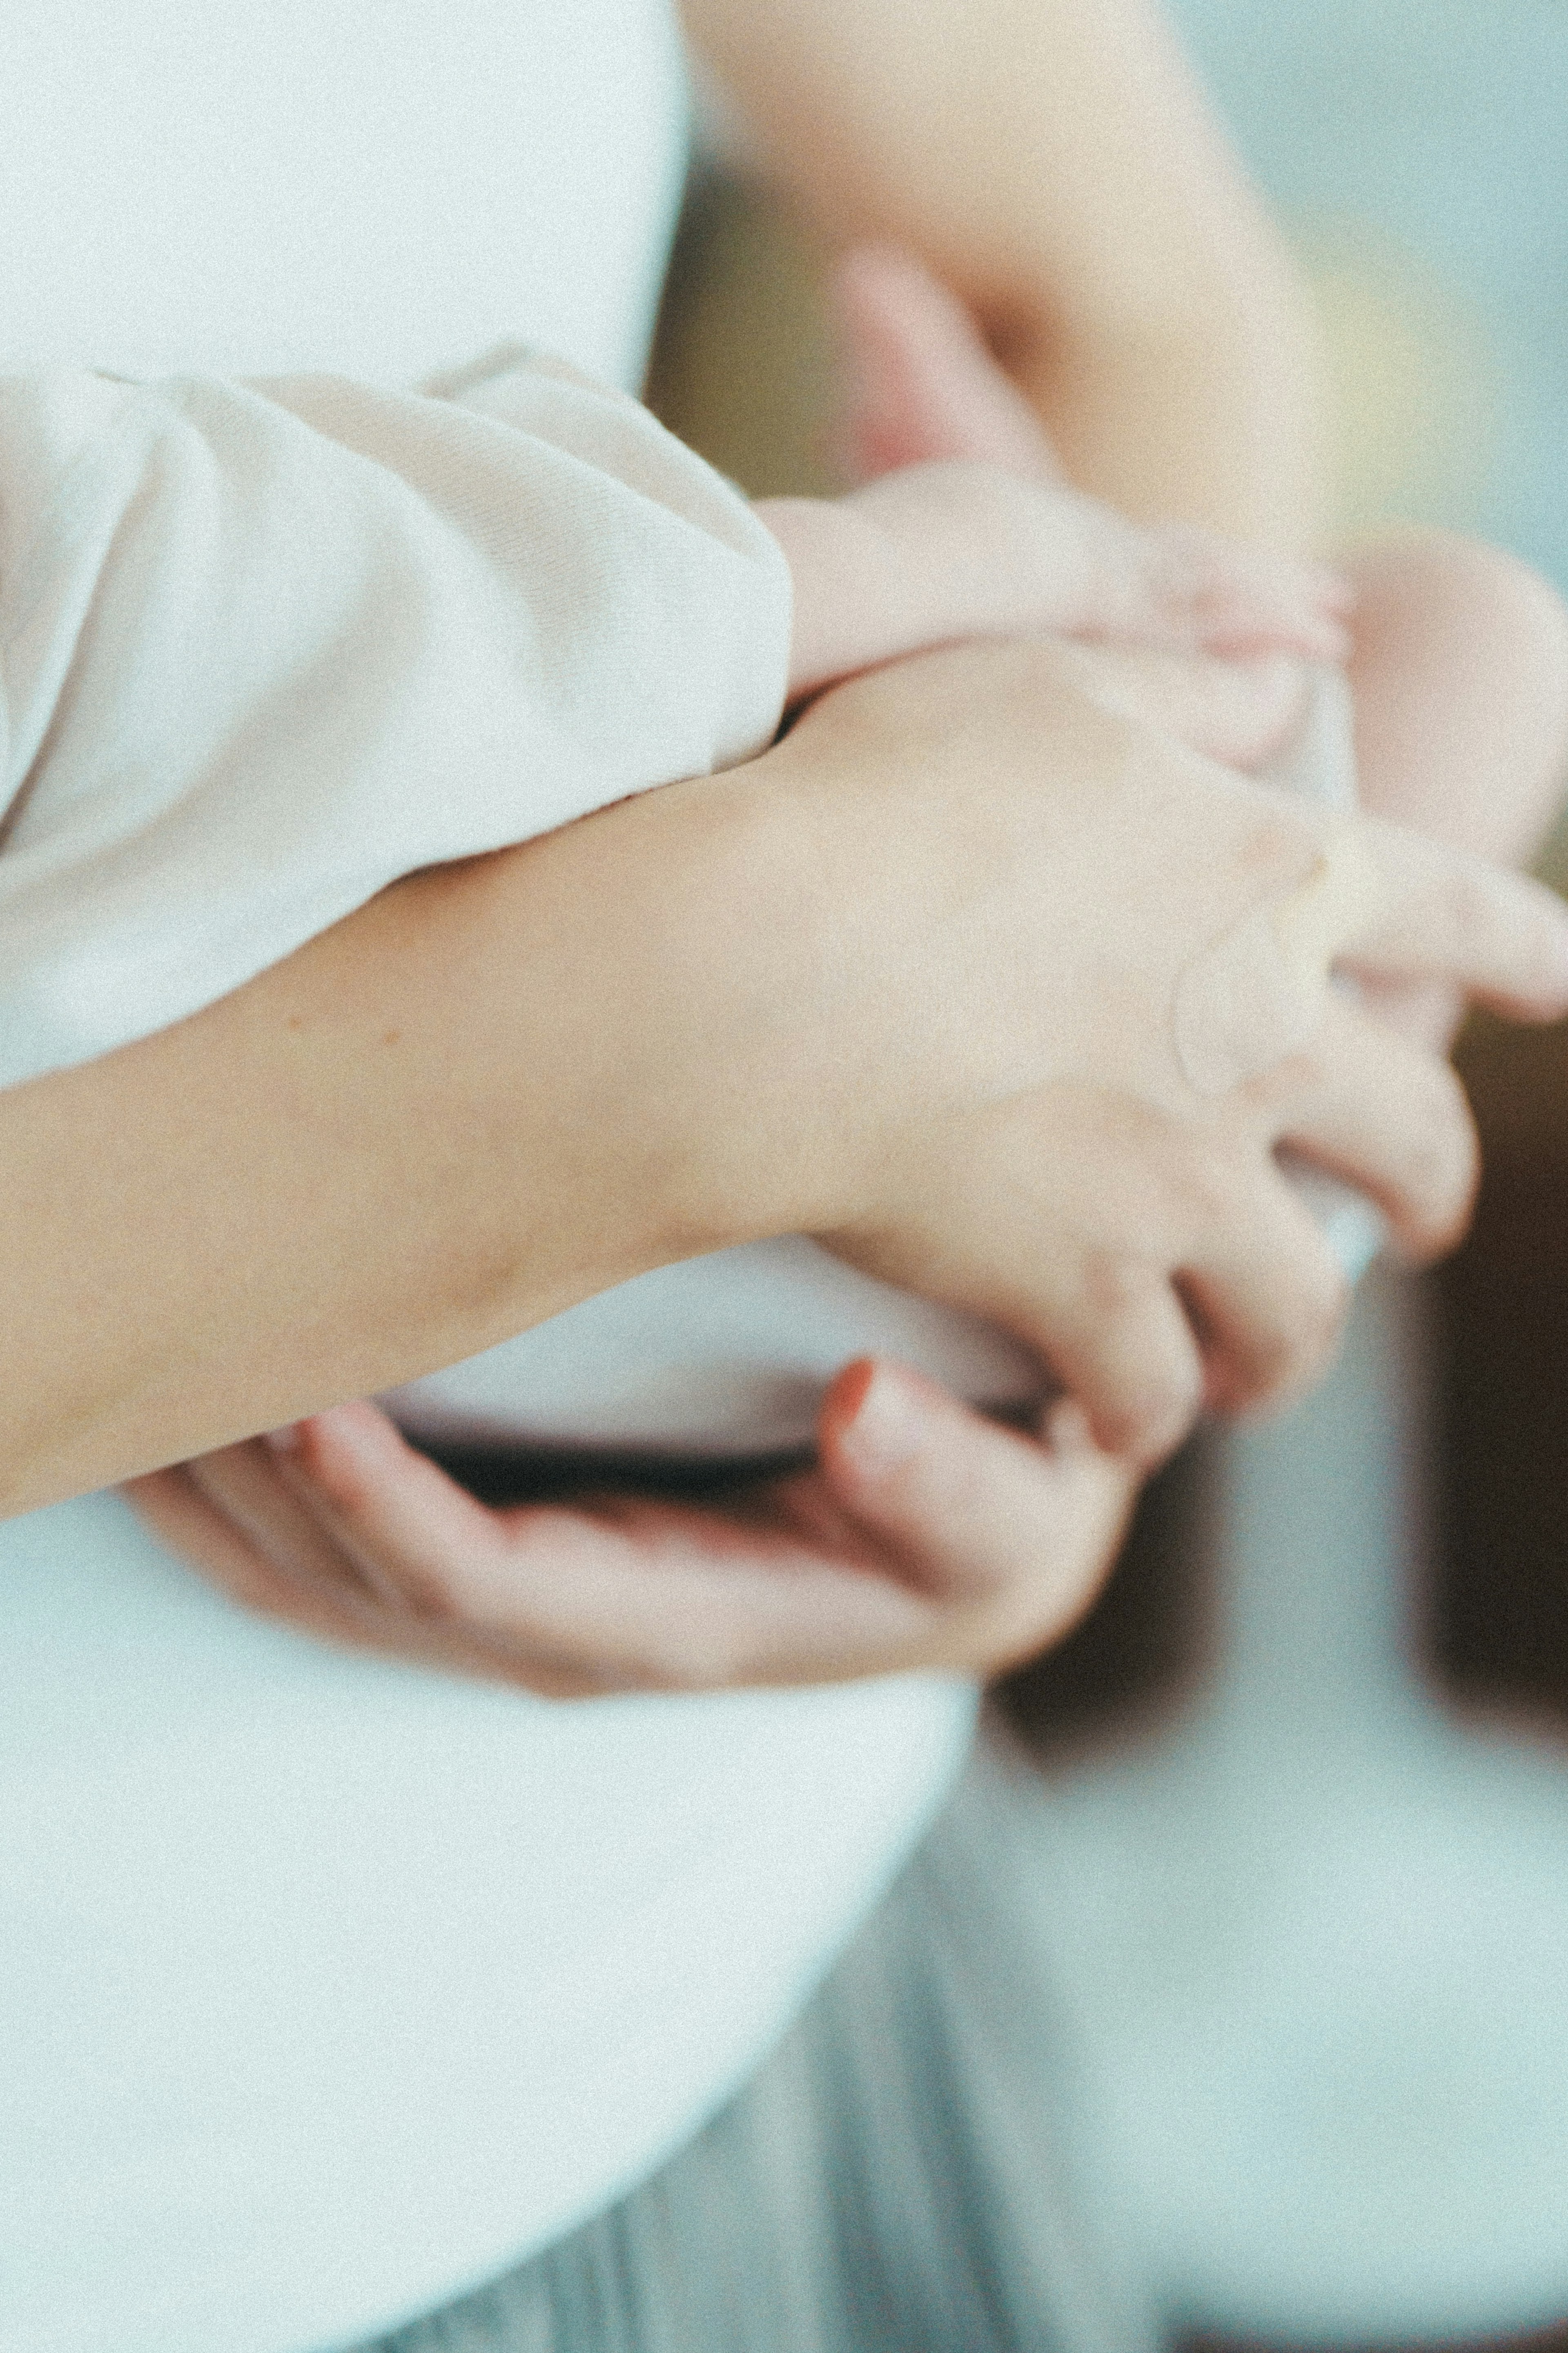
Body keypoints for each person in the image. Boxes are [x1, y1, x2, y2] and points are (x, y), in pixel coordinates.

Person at [2, 8, 1566, 2353]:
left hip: (754, 1975)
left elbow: (1116, 281)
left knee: (1458, 646)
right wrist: (761, 984)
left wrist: (1065, 1356)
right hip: (142, 2223)